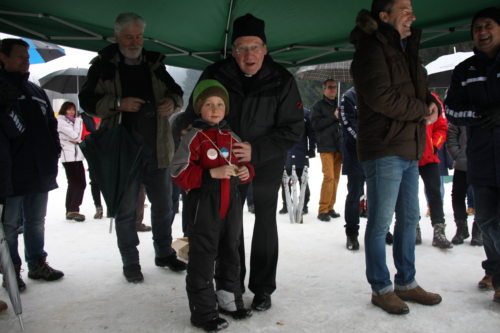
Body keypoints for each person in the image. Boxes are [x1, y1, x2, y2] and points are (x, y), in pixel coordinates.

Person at [178, 13, 304, 311]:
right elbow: (193, 112)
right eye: (242, 48)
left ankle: (262, 288)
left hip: (267, 160)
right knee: (228, 224)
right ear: (233, 51)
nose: (249, 55)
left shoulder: (281, 79)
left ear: (265, 49)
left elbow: (294, 128)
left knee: (264, 222)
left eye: (255, 47)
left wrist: (255, 151)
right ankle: (230, 285)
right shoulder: (215, 73)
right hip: (224, 164)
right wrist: (188, 131)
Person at [350, 0, 443, 314]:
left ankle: (406, 282)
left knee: (409, 219)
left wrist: (429, 100)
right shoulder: (370, 50)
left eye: (412, 9)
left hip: (410, 147)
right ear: (384, 16)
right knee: (379, 224)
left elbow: (416, 89)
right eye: (404, 9)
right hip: (384, 148)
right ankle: (381, 287)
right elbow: (382, 97)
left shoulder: (406, 51)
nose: (412, 15)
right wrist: (421, 111)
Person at [79, 12, 187, 283]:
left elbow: (178, 93)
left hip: (158, 148)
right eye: (128, 36)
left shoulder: (154, 64)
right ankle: (131, 262)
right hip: (122, 153)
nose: (134, 41)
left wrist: (172, 103)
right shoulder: (103, 66)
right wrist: (117, 103)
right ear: (117, 36)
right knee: (126, 211)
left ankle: (163, 252)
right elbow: (87, 102)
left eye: (138, 36)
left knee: (165, 207)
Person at [172, 79, 254, 332]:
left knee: (231, 251)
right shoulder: (194, 137)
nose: (215, 109)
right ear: (199, 108)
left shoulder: (231, 136)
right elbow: (178, 172)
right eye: (208, 104)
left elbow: (246, 165)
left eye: (220, 104)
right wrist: (210, 174)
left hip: (231, 207)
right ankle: (203, 312)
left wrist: (245, 172)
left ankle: (228, 300)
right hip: (203, 208)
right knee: (203, 258)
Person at [445, 6, 500, 303]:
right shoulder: (465, 70)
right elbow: (451, 109)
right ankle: (495, 269)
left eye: (488, 25)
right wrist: (477, 115)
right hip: (479, 157)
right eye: (477, 28)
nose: (482, 32)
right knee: (488, 220)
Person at [0, 38, 64, 291]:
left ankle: (37, 263)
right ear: (2, 58)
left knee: (36, 221)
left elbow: (51, 124)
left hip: (40, 168)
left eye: (27, 57)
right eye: (19, 56)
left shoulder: (35, 90)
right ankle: (11, 270)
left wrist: (54, 150)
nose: (25, 61)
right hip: (11, 171)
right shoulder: (2, 89)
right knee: (10, 225)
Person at [417, 96, 453, 249]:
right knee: (407, 195)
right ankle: (413, 227)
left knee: (435, 193)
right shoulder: (403, 97)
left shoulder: (433, 100)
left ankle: (439, 231)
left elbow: (442, 127)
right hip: (407, 156)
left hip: (429, 157)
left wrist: (434, 146)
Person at [311, 79, 343, 222]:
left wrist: (341, 116)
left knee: (336, 179)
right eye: (330, 87)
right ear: (323, 89)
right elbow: (316, 125)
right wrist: (333, 117)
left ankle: (330, 207)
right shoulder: (318, 106)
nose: (333, 90)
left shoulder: (339, 105)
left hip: (339, 145)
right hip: (325, 146)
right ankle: (322, 209)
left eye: (335, 87)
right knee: (329, 177)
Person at [446, 123, 483, 246]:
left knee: (482, 196)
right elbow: (451, 134)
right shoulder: (462, 110)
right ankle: (461, 228)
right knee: (457, 194)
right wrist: (458, 154)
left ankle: (479, 230)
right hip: (463, 163)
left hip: (484, 162)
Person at [279, 107, 316, 216]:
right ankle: (286, 204)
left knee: (302, 178)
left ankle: (304, 205)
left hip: (301, 151)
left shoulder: (306, 114)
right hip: (286, 152)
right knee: (286, 179)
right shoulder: (283, 112)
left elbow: (311, 133)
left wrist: (312, 149)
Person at [340, 87, 364, 250]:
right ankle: (351, 233)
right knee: (355, 193)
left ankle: (381, 231)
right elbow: (347, 124)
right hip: (354, 153)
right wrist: (366, 141)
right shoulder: (348, 97)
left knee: (379, 195)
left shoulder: (379, 92)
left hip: (377, 153)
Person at [57, 101, 87, 222]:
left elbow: (76, 137)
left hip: (76, 156)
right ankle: (73, 209)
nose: (72, 112)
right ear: (64, 110)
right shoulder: (61, 121)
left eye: (73, 110)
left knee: (75, 183)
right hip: (69, 157)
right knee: (78, 183)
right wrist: (79, 121)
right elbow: (76, 136)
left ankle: (70, 210)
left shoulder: (72, 121)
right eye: (69, 109)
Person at [81, 112, 104, 219]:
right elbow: (84, 134)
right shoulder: (84, 116)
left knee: (107, 181)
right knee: (95, 181)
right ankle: (98, 207)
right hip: (92, 149)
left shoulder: (105, 114)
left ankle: (111, 206)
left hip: (105, 149)